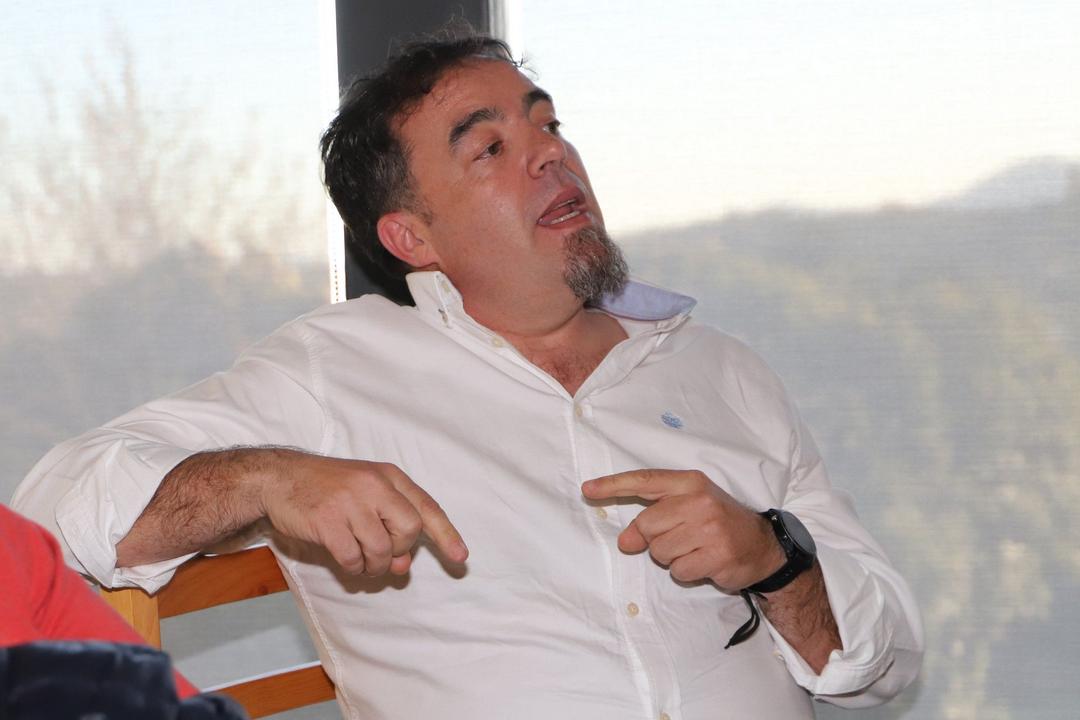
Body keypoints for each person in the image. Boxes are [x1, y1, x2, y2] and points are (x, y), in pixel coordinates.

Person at [12, 31, 923, 719]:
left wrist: (775, 559)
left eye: (548, 123)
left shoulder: (722, 370)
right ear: (412, 237)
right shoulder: (335, 370)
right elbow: (56, 510)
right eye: (489, 148)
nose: (551, 152)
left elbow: (884, 669)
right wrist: (268, 478)